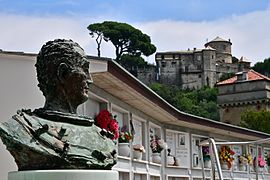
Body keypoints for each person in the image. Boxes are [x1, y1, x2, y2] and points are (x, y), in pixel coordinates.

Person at [0, 39, 117, 170]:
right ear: (63, 73)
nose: (90, 79)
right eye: (84, 69)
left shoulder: (102, 138)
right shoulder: (21, 128)